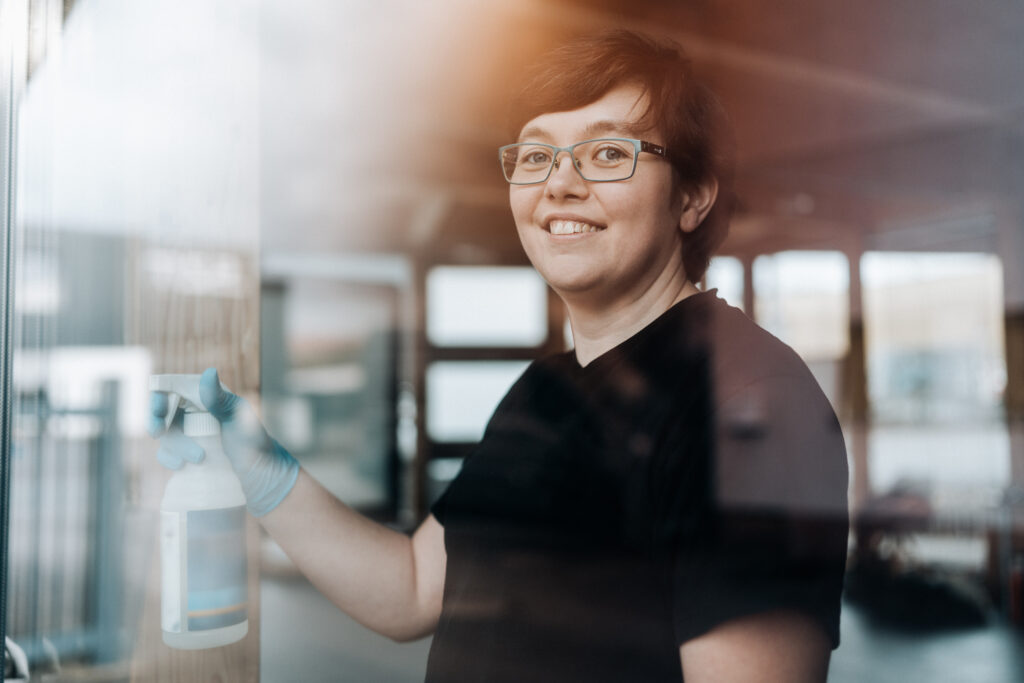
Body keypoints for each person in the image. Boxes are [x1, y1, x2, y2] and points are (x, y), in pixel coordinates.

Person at [151, 30, 848, 682]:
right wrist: (259, 469)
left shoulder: (752, 404)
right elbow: (415, 589)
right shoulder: (543, 392)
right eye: (537, 154)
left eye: (608, 153)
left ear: (691, 197)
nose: (560, 185)